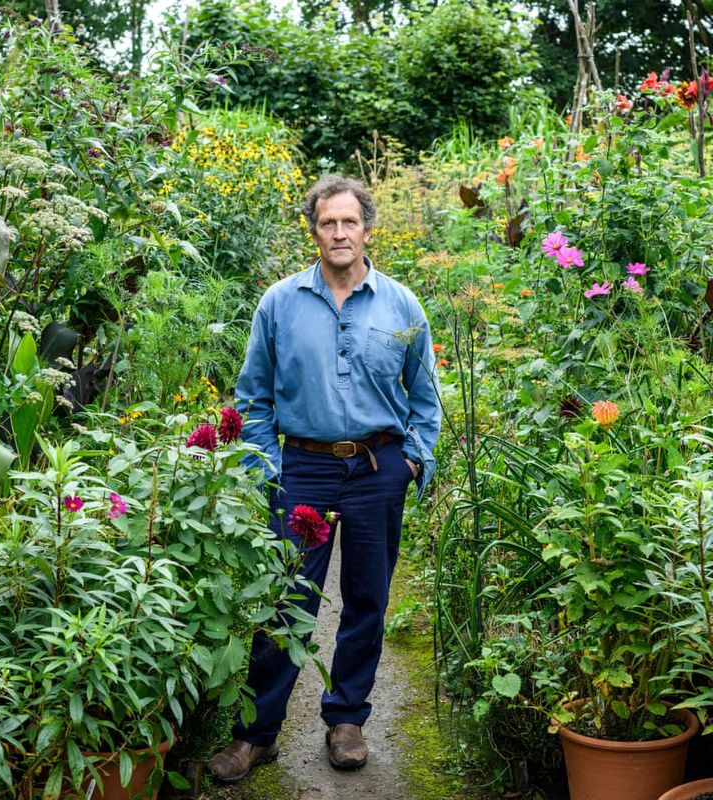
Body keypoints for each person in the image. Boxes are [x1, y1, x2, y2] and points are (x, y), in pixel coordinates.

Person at [206, 175, 441, 783]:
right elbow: (252, 397)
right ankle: (256, 734)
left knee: (367, 597)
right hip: (301, 464)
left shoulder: (401, 305)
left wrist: (412, 460)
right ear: (314, 230)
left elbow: (425, 398)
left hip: (376, 466)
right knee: (286, 599)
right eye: (327, 223)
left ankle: (346, 720)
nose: (339, 233)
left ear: (367, 228)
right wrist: (266, 466)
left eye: (349, 222)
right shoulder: (280, 303)